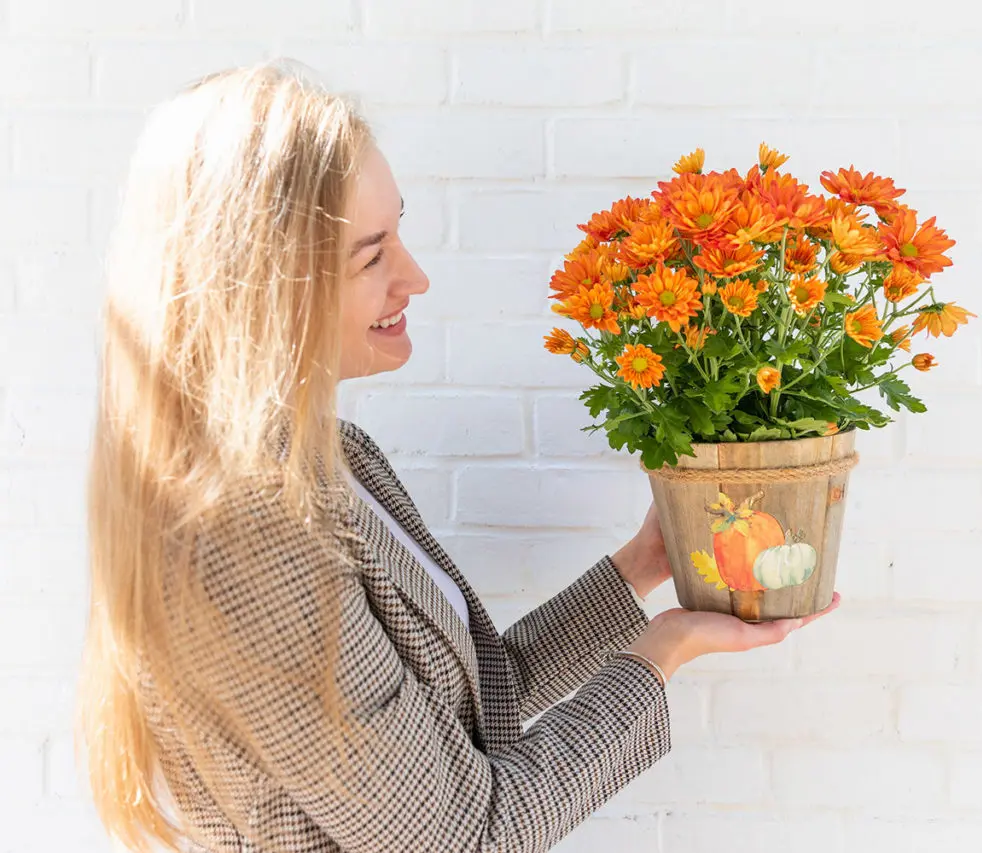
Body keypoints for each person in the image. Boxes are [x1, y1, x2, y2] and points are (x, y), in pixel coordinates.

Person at [76, 61, 840, 853]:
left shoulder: (336, 459)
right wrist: (660, 652)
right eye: (371, 257)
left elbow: (474, 706)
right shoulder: (246, 535)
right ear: (262, 287)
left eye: (398, 232)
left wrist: (643, 566)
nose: (416, 276)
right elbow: (461, 834)